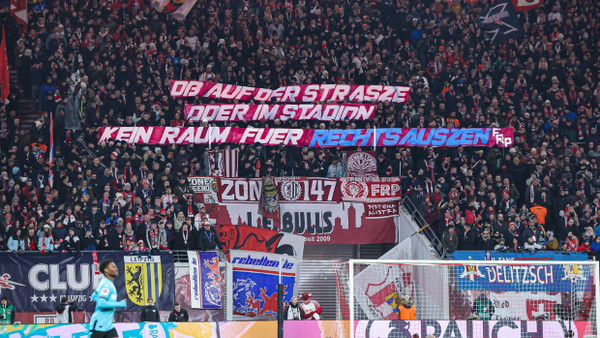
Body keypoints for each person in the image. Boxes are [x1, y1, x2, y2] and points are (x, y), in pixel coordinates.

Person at [90, 259, 127, 338]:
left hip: (108, 325)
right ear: (106, 270)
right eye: (113, 267)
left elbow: (94, 296)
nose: (116, 268)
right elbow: (101, 303)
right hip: (100, 325)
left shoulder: (105, 282)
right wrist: (120, 303)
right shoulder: (106, 284)